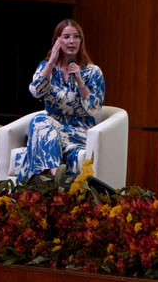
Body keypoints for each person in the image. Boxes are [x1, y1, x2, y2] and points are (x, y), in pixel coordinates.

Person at [17, 19, 106, 183]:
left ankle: (48, 179)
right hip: (52, 127)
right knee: (40, 122)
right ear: (57, 40)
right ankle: (56, 174)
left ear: (81, 40)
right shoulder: (47, 68)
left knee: (39, 133)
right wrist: (51, 62)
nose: (72, 41)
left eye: (76, 37)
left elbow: (94, 108)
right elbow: (36, 91)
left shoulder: (93, 72)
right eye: (66, 37)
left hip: (79, 130)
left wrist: (80, 80)